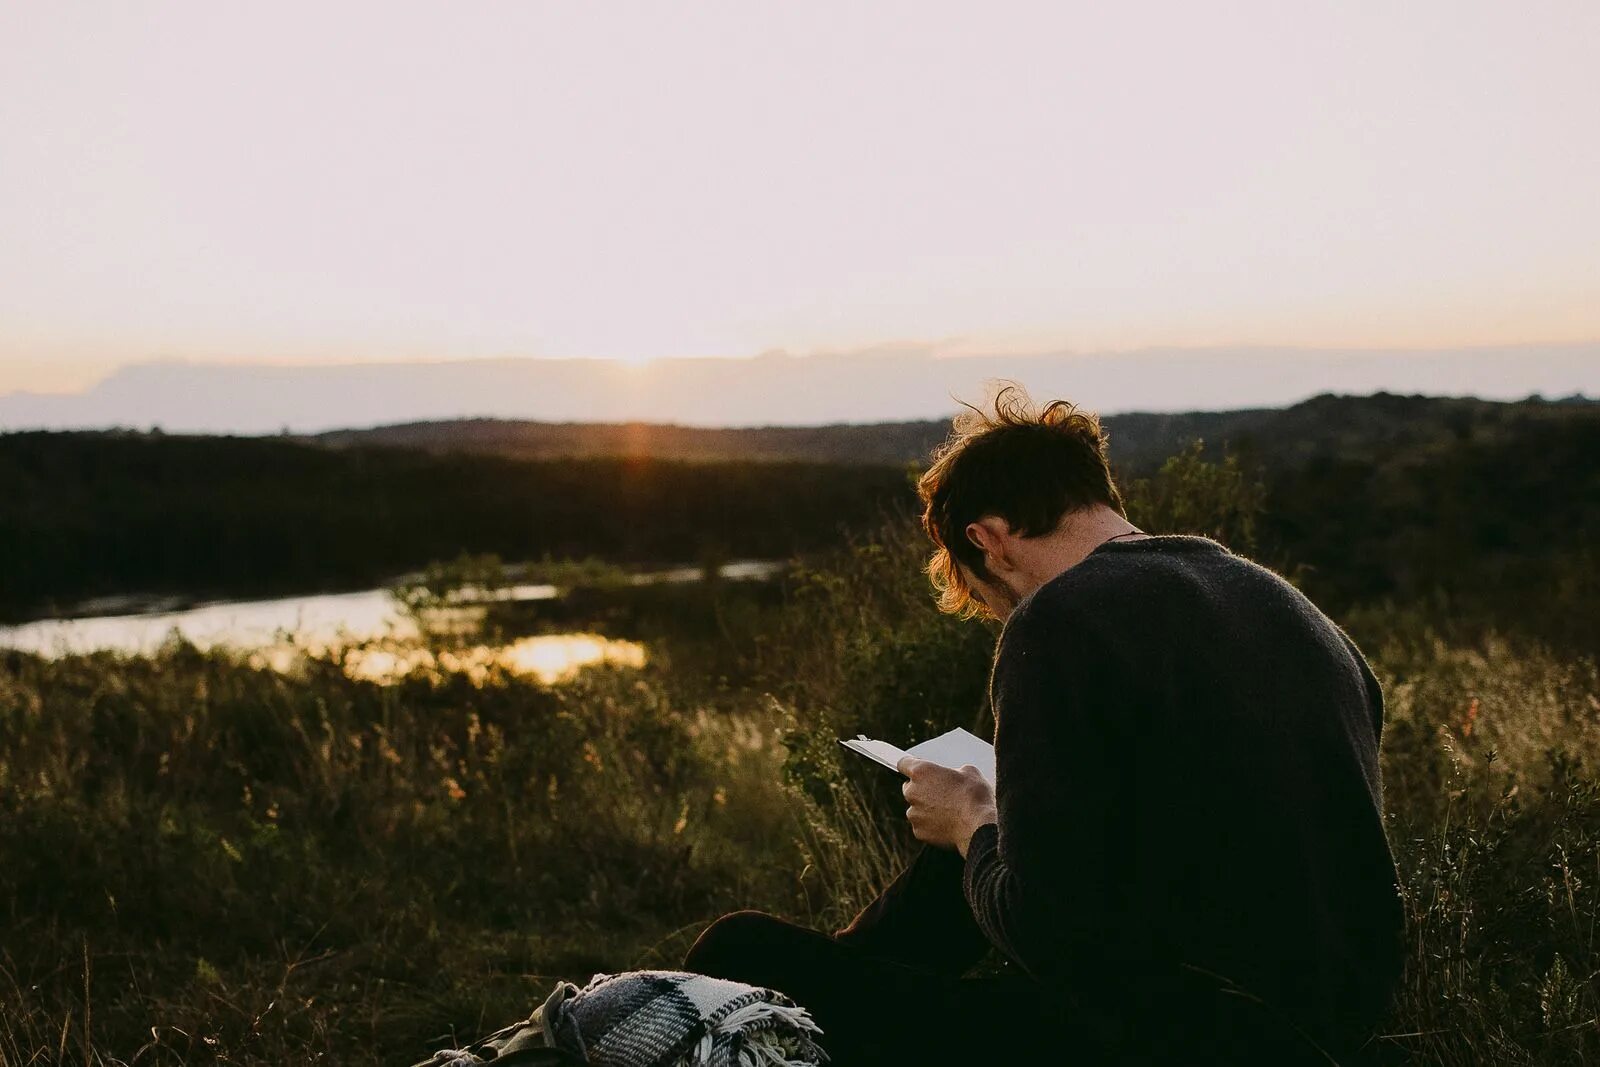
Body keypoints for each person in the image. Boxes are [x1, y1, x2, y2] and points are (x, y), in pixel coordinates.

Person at [684, 386, 1404, 1065]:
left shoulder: (1063, 619)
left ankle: (817, 990)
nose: (999, 616)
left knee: (739, 951)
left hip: (1179, 1035)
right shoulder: (1305, 620)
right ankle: (847, 969)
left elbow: (1056, 941)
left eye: (983, 596)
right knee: (983, 831)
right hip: (1327, 1024)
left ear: (989, 539)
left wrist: (972, 828)